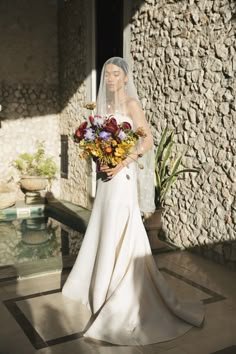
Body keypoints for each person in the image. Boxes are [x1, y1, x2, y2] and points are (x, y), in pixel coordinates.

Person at [62, 57, 204, 345]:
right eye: (108, 74)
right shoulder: (103, 107)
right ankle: (98, 286)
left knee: (122, 227)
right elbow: (98, 139)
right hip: (105, 179)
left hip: (123, 177)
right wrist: (99, 155)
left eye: (116, 74)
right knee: (104, 227)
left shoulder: (131, 105)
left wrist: (123, 161)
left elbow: (147, 140)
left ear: (126, 78)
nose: (111, 78)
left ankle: (121, 292)